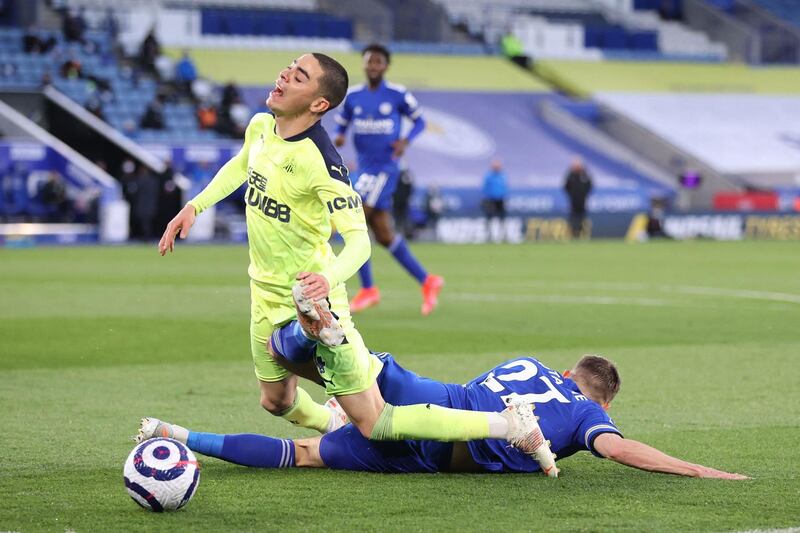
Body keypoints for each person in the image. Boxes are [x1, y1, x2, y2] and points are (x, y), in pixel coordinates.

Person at [157, 53, 547, 464]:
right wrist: (194, 207)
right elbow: (239, 166)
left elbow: (359, 242)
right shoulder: (259, 126)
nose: (285, 75)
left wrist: (327, 281)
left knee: (376, 422)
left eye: (299, 75)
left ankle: (508, 425)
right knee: (275, 401)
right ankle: (331, 422)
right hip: (264, 295)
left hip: (313, 305)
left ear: (318, 104)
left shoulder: (324, 163)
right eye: (289, 67)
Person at [136, 317, 747, 480]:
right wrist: (693, 467)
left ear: (567, 369)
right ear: (604, 402)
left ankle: (304, 341)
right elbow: (619, 450)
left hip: (437, 397)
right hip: (436, 446)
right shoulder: (590, 415)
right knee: (304, 454)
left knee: (356, 379)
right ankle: (183, 436)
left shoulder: (530, 363)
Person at [334, 43, 443, 315]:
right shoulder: (355, 96)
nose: (373, 66)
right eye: (369, 61)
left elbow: (419, 121)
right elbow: (342, 121)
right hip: (364, 168)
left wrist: (406, 140)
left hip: (385, 168)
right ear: (363, 64)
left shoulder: (397, 94)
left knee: (353, 218)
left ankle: (368, 288)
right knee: (383, 234)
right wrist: (339, 135)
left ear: (386, 66)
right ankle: (427, 281)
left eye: (378, 62)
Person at [563, 157, 592, 239]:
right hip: (573, 201)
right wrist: (571, 195)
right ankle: (573, 234)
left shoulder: (585, 175)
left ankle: (583, 235)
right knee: (573, 218)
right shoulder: (570, 175)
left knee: (582, 218)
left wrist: (584, 194)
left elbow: (589, 185)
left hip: (582, 201)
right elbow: (566, 186)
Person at [482, 158, 508, 223]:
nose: (496, 168)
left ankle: (502, 230)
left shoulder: (502, 176)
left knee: (502, 216)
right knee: (489, 215)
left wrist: (504, 196)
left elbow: (504, 187)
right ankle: (488, 230)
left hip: (500, 198)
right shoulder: (488, 176)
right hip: (490, 199)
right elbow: (485, 187)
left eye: (498, 166)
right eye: (495, 166)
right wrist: (487, 196)